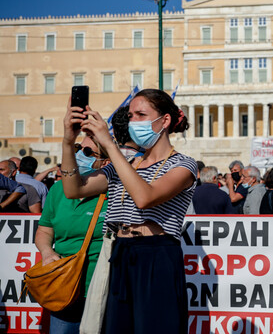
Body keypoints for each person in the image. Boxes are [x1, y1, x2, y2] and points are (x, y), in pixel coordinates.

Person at [60, 88, 197, 334]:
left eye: (141, 114)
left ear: (164, 120)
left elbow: (146, 198)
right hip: (119, 251)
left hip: (156, 254)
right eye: (131, 115)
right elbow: (73, 189)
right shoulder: (127, 164)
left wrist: (110, 145)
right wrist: (68, 142)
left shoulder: (183, 164)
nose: (133, 121)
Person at [34, 135, 110, 333]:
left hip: (101, 288)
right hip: (64, 287)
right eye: (77, 148)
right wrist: (47, 252)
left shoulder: (114, 192)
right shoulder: (58, 189)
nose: (78, 155)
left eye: (86, 152)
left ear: (106, 162)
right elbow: (44, 230)